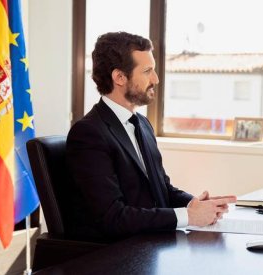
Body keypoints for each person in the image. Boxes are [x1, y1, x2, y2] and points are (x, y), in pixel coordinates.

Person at [66, 32, 236, 240]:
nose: (155, 79)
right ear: (119, 77)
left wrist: (195, 204)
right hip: (116, 254)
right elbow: (112, 217)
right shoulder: (89, 133)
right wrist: (189, 216)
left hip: (150, 242)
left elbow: (162, 188)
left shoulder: (143, 125)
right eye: (147, 71)